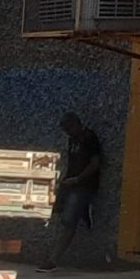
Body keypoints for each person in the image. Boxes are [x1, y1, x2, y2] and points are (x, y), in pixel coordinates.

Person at [41, 112, 106, 270]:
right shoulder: (72, 139)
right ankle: (83, 211)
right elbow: (72, 163)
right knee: (59, 214)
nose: (68, 133)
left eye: (69, 129)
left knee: (69, 222)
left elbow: (95, 163)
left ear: (76, 124)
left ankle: (53, 260)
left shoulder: (89, 138)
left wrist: (78, 179)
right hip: (70, 183)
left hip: (83, 185)